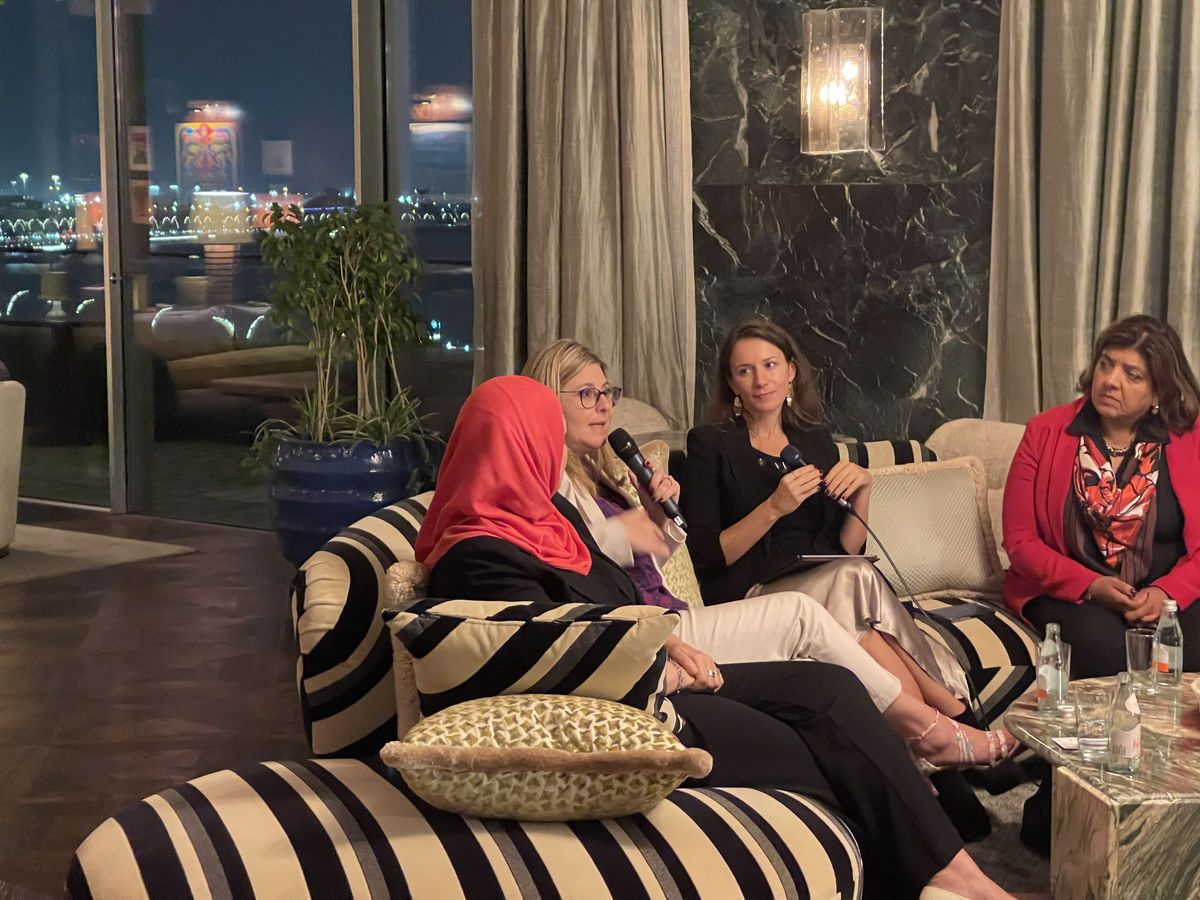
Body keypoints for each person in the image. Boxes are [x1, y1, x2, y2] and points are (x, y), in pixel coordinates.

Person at [415, 375, 1015, 900]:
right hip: (634, 708)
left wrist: (669, 642)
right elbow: (548, 659)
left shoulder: (548, 522)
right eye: (544, 436)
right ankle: (943, 873)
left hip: (658, 665)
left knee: (831, 685)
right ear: (514, 446)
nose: (553, 452)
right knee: (819, 740)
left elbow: (608, 606)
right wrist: (667, 667)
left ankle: (951, 871)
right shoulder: (478, 555)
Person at [522, 338, 1015, 773]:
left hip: (696, 607)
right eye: (586, 394)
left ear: (792, 373)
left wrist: (655, 519)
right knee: (820, 602)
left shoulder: (602, 472)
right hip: (686, 615)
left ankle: (932, 743)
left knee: (857, 612)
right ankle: (946, 724)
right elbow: (576, 561)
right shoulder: (560, 478)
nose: (604, 406)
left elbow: (650, 563)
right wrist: (772, 507)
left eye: (607, 393)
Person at [683, 318, 982, 732]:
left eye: (770, 365)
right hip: (751, 590)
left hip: (827, 580)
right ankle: (955, 715)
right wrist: (774, 507)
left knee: (855, 593)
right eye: (745, 371)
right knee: (851, 580)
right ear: (731, 383)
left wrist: (864, 491)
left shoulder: (813, 440)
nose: (760, 381)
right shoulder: (709, 443)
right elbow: (705, 556)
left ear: (791, 371)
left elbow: (846, 549)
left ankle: (936, 733)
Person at [1003, 314, 1200, 676]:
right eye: (1106, 365)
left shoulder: (1192, 439)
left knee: (1185, 645)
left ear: (1159, 392)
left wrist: (1167, 592)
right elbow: (1020, 541)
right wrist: (1090, 585)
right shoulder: (1044, 432)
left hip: (1164, 593)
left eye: (1132, 375)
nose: (1110, 381)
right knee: (1107, 649)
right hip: (1071, 592)